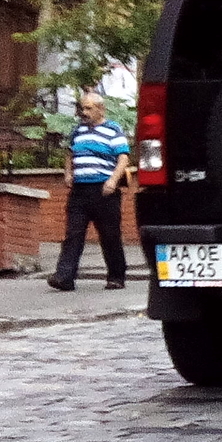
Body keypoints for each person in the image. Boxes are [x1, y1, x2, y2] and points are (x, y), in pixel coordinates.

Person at [49, 91, 131, 292]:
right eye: (82, 108)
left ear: (100, 109)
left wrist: (112, 181)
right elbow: (70, 152)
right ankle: (64, 277)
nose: (83, 112)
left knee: (109, 235)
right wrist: (68, 173)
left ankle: (116, 276)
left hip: (104, 190)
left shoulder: (113, 130)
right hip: (80, 190)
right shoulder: (78, 130)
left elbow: (123, 158)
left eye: (88, 108)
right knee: (73, 234)